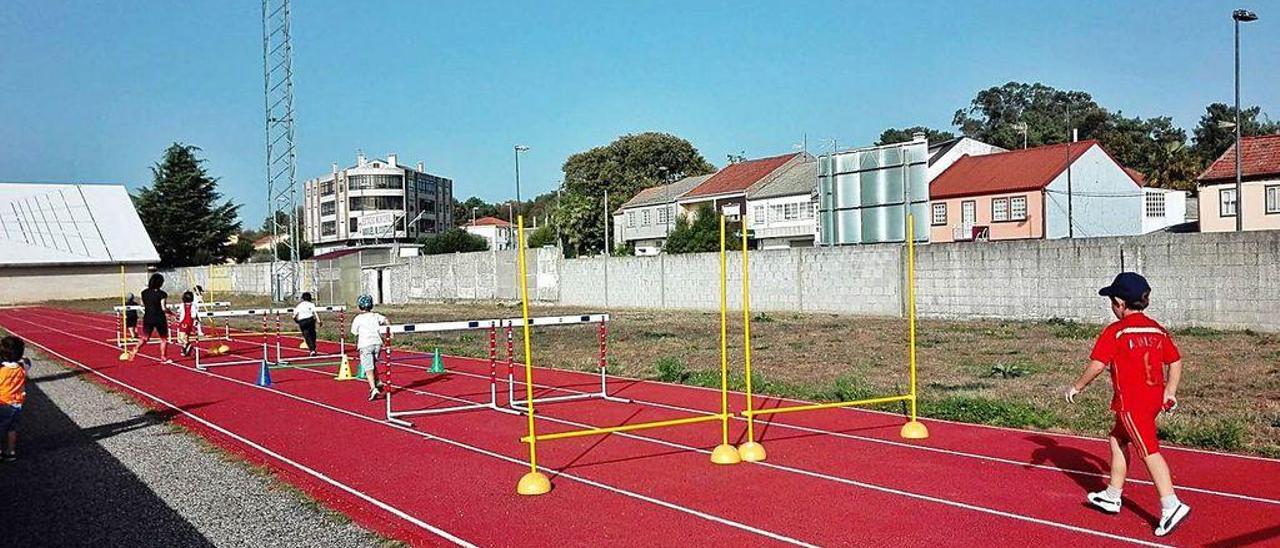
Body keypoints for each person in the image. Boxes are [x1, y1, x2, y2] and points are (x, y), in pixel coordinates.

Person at [1066, 272, 1188, 537]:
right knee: (1117, 439)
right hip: (1153, 400)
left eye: (1112, 302)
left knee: (1149, 451)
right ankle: (1112, 495)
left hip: (1133, 404)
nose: (1112, 307)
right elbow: (1175, 361)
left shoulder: (1116, 332)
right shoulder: (1157, 329)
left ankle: (1171, 504)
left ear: (1120, 303)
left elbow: (1097, 365)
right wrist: (1170, 391)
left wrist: (1077, 386)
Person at [349, 294, 388, 401]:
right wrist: (389, 331)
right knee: (372, 363)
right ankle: (378, 381)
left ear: (359, 306)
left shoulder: (358, 318)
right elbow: (385, 320)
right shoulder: (376, 315)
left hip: (365, 344)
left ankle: (373, 388)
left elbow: (354, 332)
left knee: (368, 368)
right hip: (377, 343)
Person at [0, 336, 32, 462]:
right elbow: (27, 360)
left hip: (2, 403)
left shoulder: (1, 369)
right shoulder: (23, 367)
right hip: (17, 403)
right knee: (12, 428)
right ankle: (11, 451)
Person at [128, 273, 172, 363]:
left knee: (145, 337)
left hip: (148, 317)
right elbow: (163, 308)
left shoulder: (144, 293)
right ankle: (163, 357)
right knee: (163, 338)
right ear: (160, 283)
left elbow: (142, 304)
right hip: (159, 318)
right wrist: (170, 312)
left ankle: (135, 348)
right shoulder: (162, 294)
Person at [294, 292, 320, 356]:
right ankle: (313, 348)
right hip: (310, 320)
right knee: (313, 334)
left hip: (302, 321)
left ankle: (312, 350)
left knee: (306, 335)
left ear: (302, 298)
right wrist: (319, 321)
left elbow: (294, 316)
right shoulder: (311, 304)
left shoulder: (299, 305)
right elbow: (315, 313)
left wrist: (297, 321)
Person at [175, 291, 197, 357]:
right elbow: (194, 315)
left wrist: (177, 316)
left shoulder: (182, 305)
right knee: (185, 336)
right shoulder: (193, 305)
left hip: (184, 322)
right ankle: (185, 349)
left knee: (181, 338)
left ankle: (188, 345)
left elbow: (179, 312)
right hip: (190, 322)